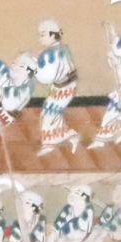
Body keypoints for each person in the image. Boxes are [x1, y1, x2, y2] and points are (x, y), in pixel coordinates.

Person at [31, 20, 81, 155]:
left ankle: (49, 143)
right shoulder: (61, 49)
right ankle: (69, 135)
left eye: (43, 35)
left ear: (53, 35)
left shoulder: (52, 54)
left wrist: (34, 69)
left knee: (49, 114)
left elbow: (46, 78)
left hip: (64, 88)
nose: (40, 39)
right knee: (53, 113)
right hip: (64, 86)